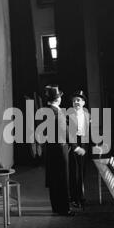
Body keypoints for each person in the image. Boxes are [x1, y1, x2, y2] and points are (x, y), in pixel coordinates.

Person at [44, 85, 77, 216]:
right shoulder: (57, 112)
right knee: (63, 178)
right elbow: (65, 131)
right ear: (58, 99)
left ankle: (56, 207)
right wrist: (74, 146)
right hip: (60, 147)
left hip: (51, 148)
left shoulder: (46, 110)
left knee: (54, 179)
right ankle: (64, 208)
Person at [68, 90, 90, 209]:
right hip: (73, 145)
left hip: (84, 144)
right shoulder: (68, 115)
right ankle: (74, 198)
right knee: (74, 173)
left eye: (78, 100)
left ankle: (81, 197)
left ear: (83, 102)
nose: (76, 102)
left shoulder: (87, 115)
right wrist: (74, 146)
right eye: (74, 100)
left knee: (82, 172)